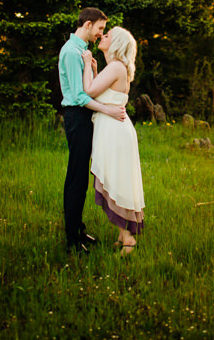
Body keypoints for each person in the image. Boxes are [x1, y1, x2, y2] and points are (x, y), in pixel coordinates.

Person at [58, 7, 126, 255]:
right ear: (87, 24)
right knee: (76, 178)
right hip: (77, 117)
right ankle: (71, 240)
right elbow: (78, 96)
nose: (100, 34)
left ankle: (78, 229)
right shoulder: (70, 51)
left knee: (82, 178)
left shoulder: (81, 51)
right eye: (99, 29)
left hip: (85, 115)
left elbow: (90, 89)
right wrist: (108, 111)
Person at [81, 26, 144, 255]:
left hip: (114, 133)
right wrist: (97, 71)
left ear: (116, 43)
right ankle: (122, 234)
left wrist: (87, 63)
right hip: (115, 130)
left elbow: (87, 91)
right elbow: (102, 94)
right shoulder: (115, 68)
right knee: (117, 180)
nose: (102, 36)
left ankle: (128, 240)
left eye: (107, 35)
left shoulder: (116, 66)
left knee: (116, 182)